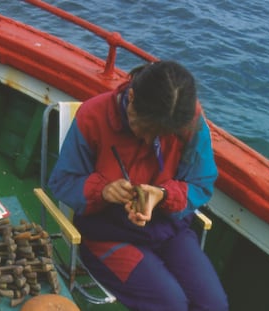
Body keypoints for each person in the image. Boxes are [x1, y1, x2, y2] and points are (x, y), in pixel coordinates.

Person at [48, 61, 229, 311]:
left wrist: (163, 195)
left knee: (213, 305)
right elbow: (62, 182)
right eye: (143, 129)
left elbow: (201, 183)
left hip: (168, 229)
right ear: (131, 97)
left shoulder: (188, 120)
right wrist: (102, 190)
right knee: (170, 304)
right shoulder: (94, 115)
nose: (148, 141)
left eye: (160, 135)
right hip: (107, 235)